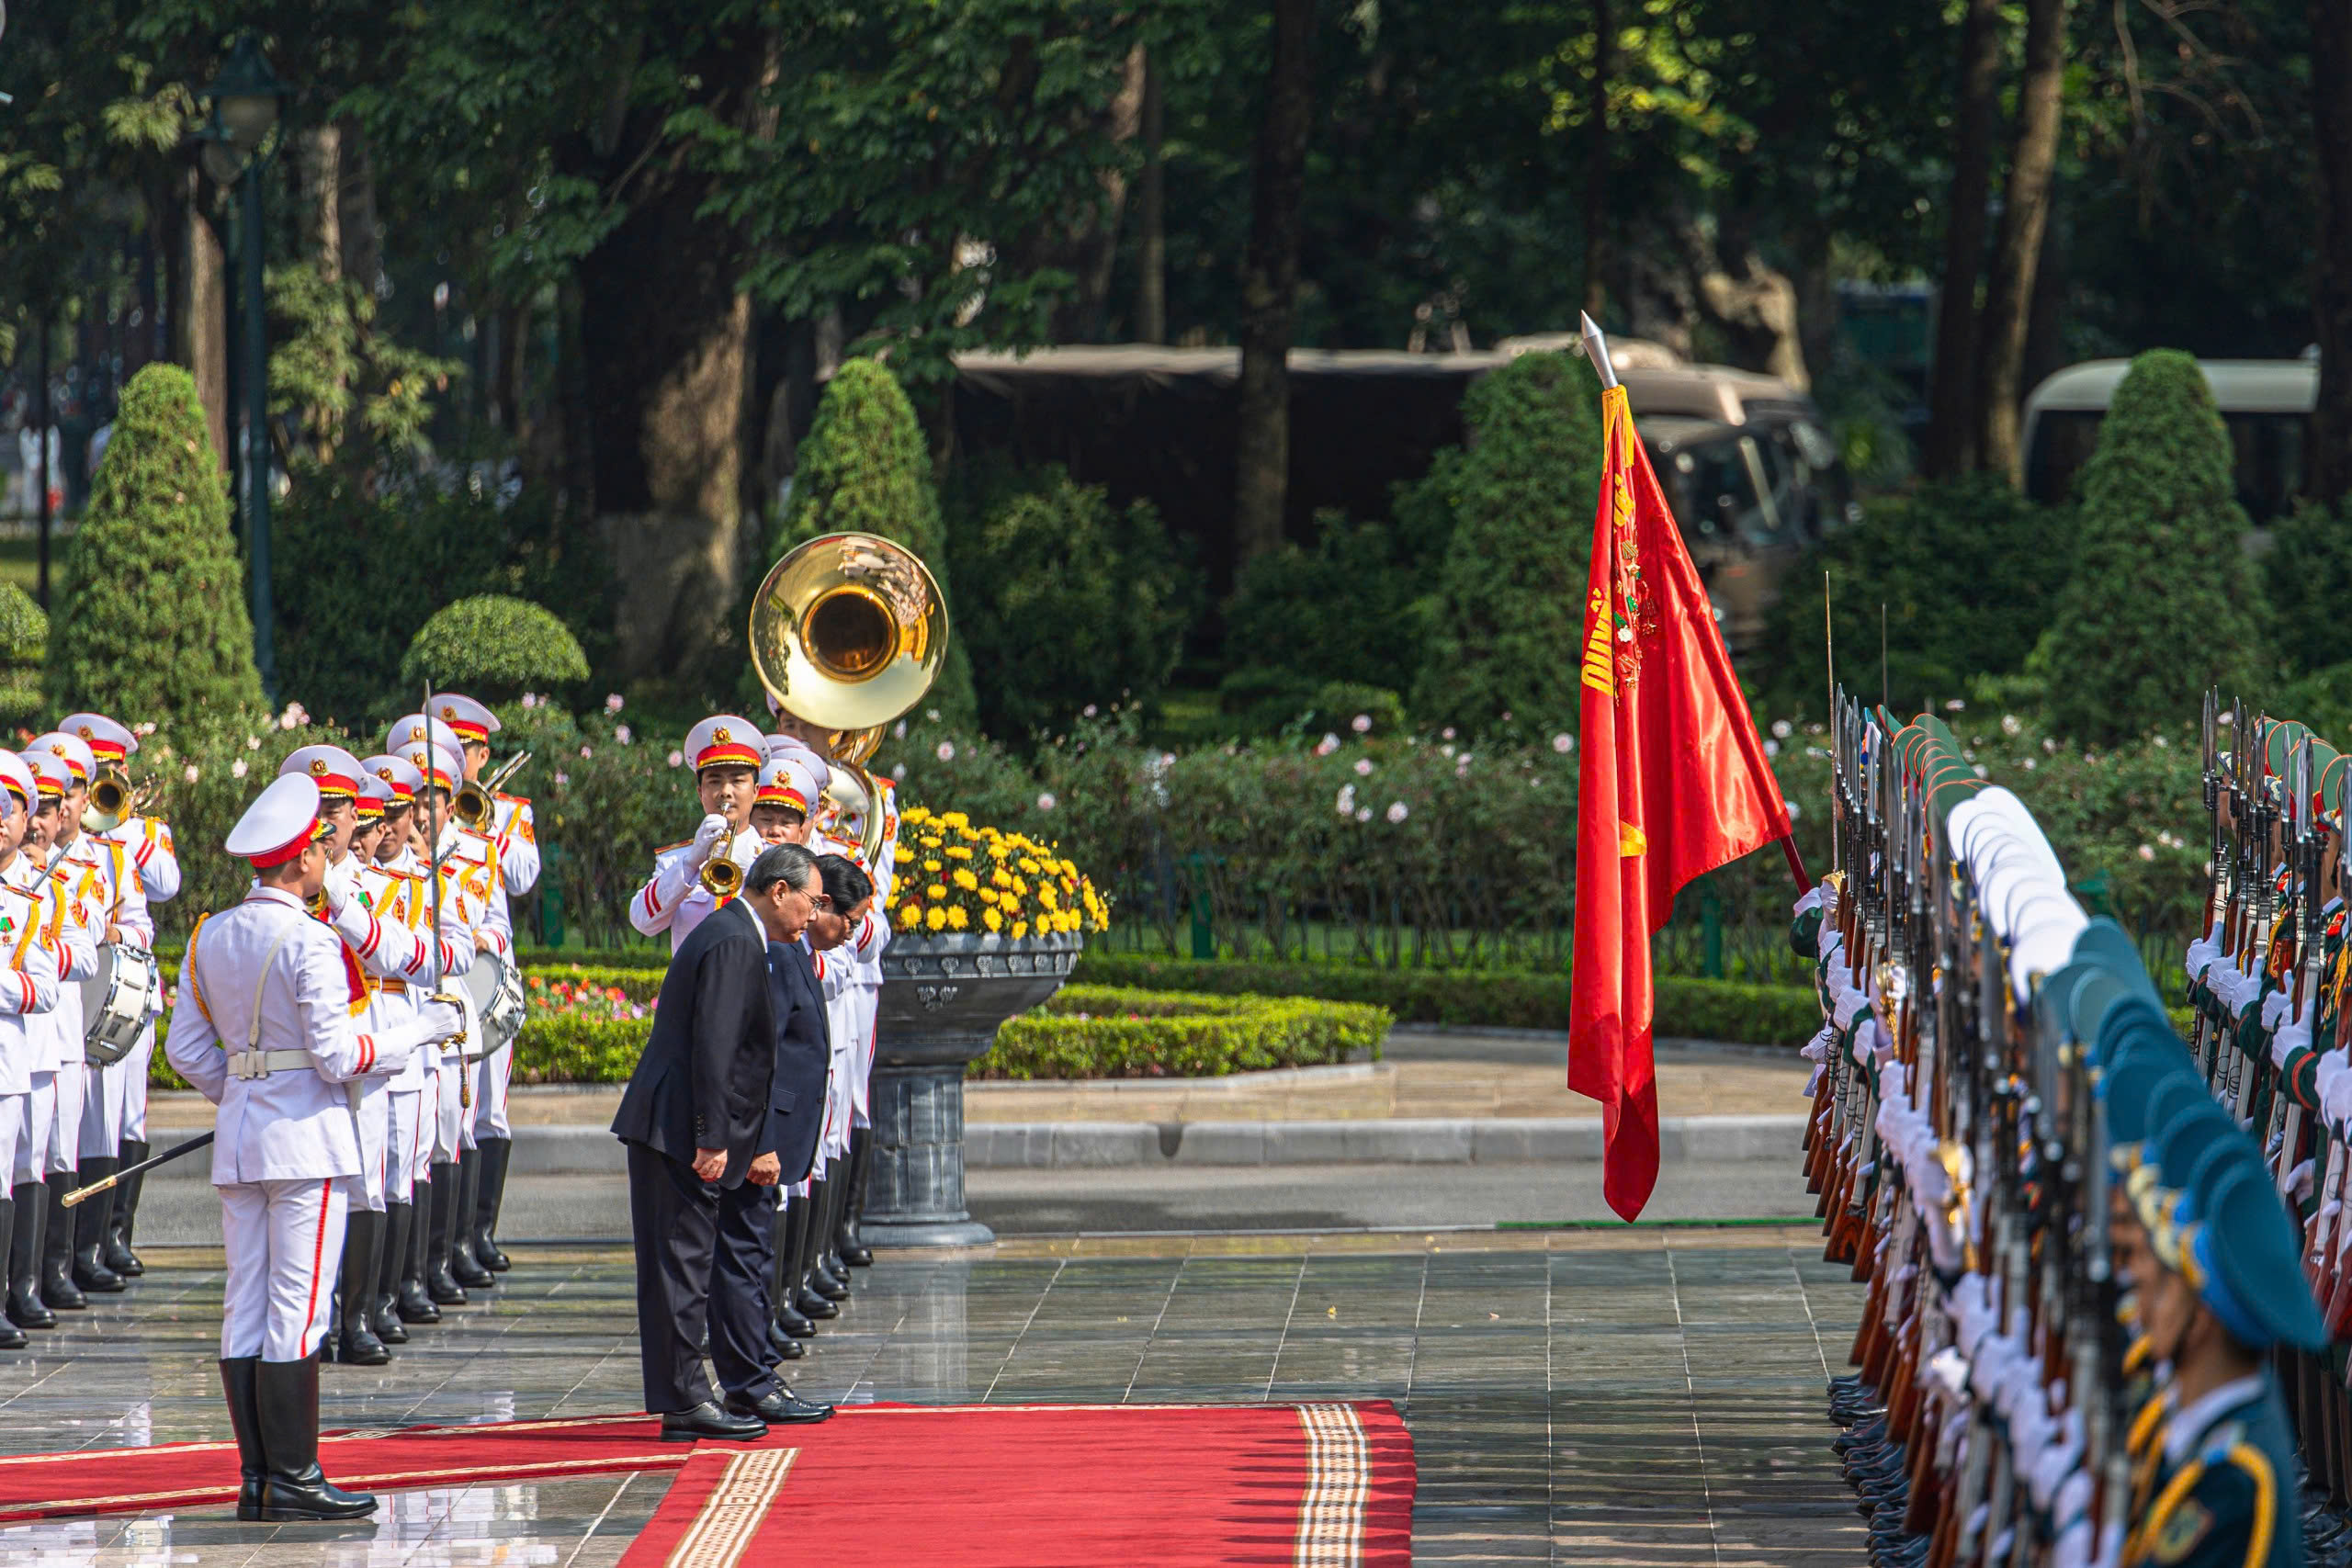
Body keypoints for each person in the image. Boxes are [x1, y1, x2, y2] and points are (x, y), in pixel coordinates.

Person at [163, 773, 461, 1520]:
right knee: (297, 1305)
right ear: (300, 860)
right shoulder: (311, 940)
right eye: (323, 849)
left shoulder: (210, 934)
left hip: (241, 1140)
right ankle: (294, 1474)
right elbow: (337, 1054)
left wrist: (243, 1090)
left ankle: (258, 1476)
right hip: (307, 1142)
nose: (331, 857)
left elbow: (188, 1051)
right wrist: (417, 1033)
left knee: (246, 1304)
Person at [610, 842, 828, 1439]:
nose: (814, 914)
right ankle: (684, 1400)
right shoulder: (735, 939)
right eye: (812, 900)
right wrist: (713, 1136)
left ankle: (690, 1396)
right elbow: (715, 1046)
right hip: (678, 1127)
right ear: (778, 890)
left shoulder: (738, 932)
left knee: (684, 1263)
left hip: (682, 1124)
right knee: (680, 1266)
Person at [423, 694, 537, 1276]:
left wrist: (486, 822)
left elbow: (521, 877)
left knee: (490, 1109)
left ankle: (478, 1232)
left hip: (488, 984)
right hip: (437, 977)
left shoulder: (509, 813)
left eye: (460, 749)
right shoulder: (416, 821)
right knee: (446, 1117)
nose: (449, 756)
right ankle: (447, 1246)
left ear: (482, 754)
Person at [64, 711, 177, 1281]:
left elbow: (163, 888)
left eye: (109, 770)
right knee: (88, 1122)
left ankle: (115, 1234)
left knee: (129, 1119)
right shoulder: (68, 843)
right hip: (81, 994)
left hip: (128, 994)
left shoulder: (139, 833)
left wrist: (124, 821)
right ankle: (82, 1243)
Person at [6, 750, 96, 1318]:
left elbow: (81, 958)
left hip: (34, 1043)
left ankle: (27, 1283)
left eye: (40, 809)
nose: (36, 821)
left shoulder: (56, 885)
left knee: (27, 1165)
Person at [0, 753, 60, 1351]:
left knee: (2, 1181)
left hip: (4, 1062)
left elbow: (43, 988)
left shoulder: (30, 900)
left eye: (9, 806)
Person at [629, 716, 765, 951]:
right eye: (714, 782)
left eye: (737, 781)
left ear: (755, 792)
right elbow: (642, 921)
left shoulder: (773, 856)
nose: (725, 792)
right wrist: (691, 863)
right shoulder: (676, 859)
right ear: (700, 792)